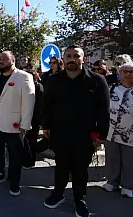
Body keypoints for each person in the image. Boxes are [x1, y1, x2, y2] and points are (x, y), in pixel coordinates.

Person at [42, 45, 110, 217]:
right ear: (63, 59)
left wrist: (100, 135)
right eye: (69, 56)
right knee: (61, 166)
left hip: (85, 134)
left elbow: (103, 110)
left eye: (76, 56)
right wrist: (46, 126)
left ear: (83, 59)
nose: (72, 59)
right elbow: (46, 105)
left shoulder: (97, 81)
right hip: (60, 132)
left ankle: (79, 198)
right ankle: (58, 193)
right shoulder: (54, 80)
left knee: (80, 169)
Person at [0, 51, 35, 196]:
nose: (1, 61)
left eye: (5, 59)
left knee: (15, 155)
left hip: (15, 125)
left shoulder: (24, 77)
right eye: (0, 59)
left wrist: (25, 124)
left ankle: (14, 182)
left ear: (13, 61)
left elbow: (28, 103)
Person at [102, 62, 133, 198]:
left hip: (130, 134)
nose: (127, 74)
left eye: (131, 72)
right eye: (124, 71)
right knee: (112, 157)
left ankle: (128, 186)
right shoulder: (112, 89)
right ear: (119, 74)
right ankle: (112, 181)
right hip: (111, 132)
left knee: (129, 160)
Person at [22, 68, 44, 169]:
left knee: (31, 141)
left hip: (34, 118)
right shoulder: (24, 86)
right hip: (25, 116)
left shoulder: (38, 87)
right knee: (26, 141)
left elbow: (39, 105)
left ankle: (30, 161)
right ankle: (25, 159)